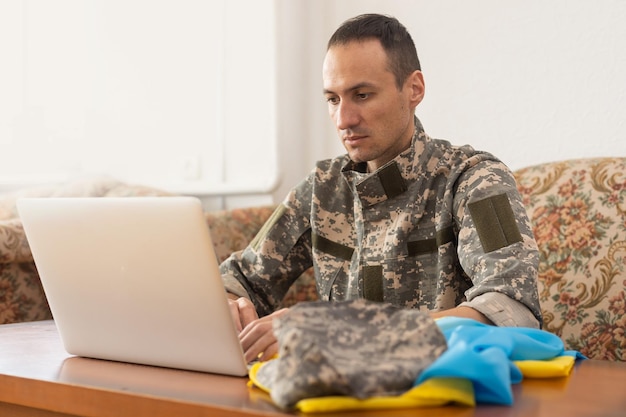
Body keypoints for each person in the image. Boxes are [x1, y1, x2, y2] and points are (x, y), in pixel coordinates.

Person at [221, 13, 542, 363]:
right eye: (333, 99)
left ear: (414, 88)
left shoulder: (474, 179)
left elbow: (511, 311)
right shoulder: (320, 190)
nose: (344, 120)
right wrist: (226, 308)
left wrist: (335, 330)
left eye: (362, 95)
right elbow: (238, 281)